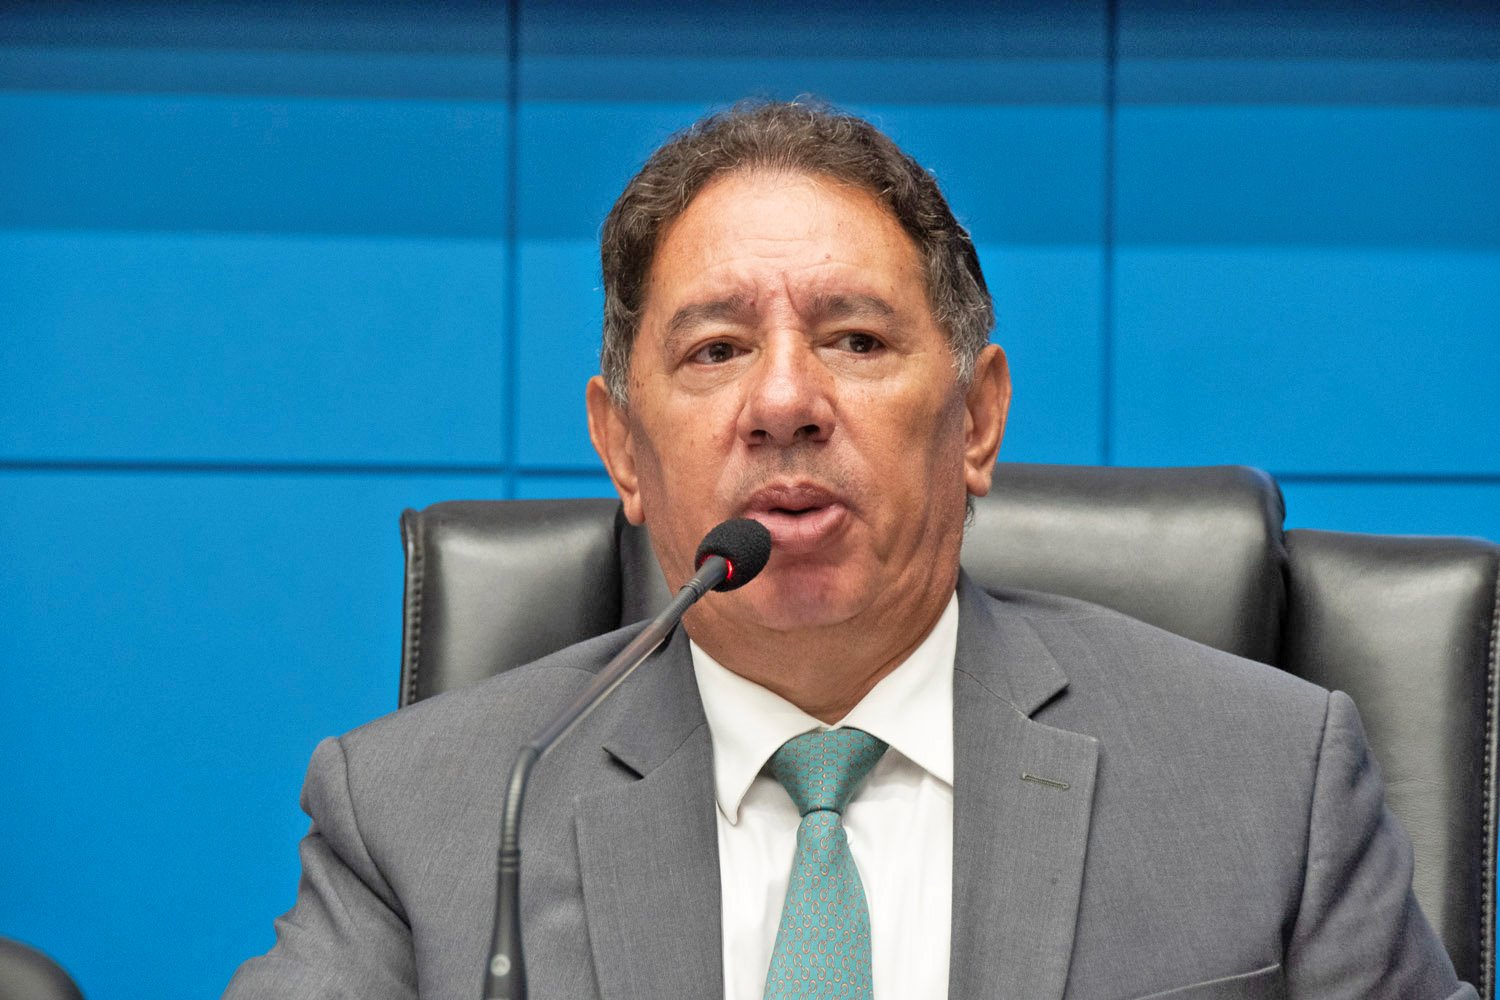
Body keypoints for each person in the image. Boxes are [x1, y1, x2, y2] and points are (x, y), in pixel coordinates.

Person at [225, 100, 1475, 1000]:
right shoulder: (425, 818)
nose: (784, 401)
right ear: (621, 446)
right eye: (716, 350)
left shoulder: (1266, 781)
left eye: (857, 341)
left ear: (977, 419)